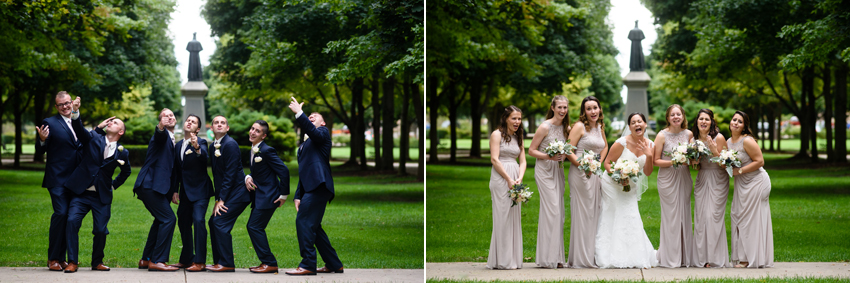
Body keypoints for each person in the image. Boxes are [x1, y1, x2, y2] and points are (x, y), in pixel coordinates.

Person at [63, 107, 131, 273]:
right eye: (110, 121)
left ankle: (97, 262)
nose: (110, 122)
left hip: (101, 196)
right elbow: (78, 128)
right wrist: (76, 112)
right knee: (72, 222)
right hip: (81, 193)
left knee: (101, 230)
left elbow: (126, 171)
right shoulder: (93, 137)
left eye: (114, 122)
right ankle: (72, 261)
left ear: (121, 131)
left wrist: (113, 185)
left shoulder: (123, 152)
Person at [285, 97, 343, 276]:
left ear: (323, 122)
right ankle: (334, 264)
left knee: (303, 221)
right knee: (314, 227)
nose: (311, 116)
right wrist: (297, 195)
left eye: (315, 116)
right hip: (310, 187)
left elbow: (314, 132)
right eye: (309, 115)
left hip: (320, 186)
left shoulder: (323, 133)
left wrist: (299, 114)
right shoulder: (303, 146)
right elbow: (304, 171)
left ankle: (308, 264)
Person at [595, 112, 658, 268]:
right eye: (633, 122)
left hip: (630, 187)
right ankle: (608, 253)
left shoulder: (651, 145)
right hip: (612, 183)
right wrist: (618, 175)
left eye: (640, 121)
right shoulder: (621, 142)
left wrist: (649, 156)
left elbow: (648, 172)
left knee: (631, 215)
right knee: (613, 213)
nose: (637, 124)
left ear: (645, 124)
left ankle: (634, 254)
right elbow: (608, 163)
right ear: (629, 127)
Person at [35, 91, 83, 271]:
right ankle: (53, 258)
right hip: (57, 179)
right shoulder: (50, 122)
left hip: (75, 180)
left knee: (69, 219)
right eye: (61, 104)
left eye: (67, 103)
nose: (65, 106)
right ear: (56, 107)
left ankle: (63, 258)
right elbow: (40, 151)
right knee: (61, 214)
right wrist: (41, 140)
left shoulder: (77, 121)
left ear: (71, 103)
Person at [565, 96, 609, 268]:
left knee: (594, 214)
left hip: (595, 173)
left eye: (595, 108)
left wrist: (598, 163)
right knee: (582, 215)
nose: (593, 112)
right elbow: (568, 150)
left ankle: (592, 254)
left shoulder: (600, 127)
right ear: (584, 111)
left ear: (599, 109)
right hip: (580, 175)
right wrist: (583, 165)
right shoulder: (579, 127)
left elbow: (605, 146)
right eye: (589, 108)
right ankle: (580, 258)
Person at [133, 108, 179, 271]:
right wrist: (160, 126)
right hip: (150, 185)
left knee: (160, 220)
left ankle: (146, 259)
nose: (169, 117)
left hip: (161, 188)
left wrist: (174, 190)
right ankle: (157, 260)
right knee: (168, 219)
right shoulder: (162, 136)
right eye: (165, 116)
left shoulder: (173, 139)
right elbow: (159, 135)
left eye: (171, 115)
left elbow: (172, 168)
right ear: (161, 121)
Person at [527, 95, 570, 269]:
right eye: (559, 107)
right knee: (552, 211)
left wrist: (563, 156)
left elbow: (568, 149)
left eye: (565, 107)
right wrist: (548, 156)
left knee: (559, 213)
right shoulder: (545, 127)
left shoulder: (567, 128)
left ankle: (557, 257)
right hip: (544, 170)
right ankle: (547, 258)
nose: (562, 111)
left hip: (558, 171)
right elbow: (531, 150)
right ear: (552, 107)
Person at [652, 104, 697, 268]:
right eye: (673, 115)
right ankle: (670, 256)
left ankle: (684, 256)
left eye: (678, 114)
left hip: (684, 178)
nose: (676, 117)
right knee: (671, 216)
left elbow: (694, 157)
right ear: (668, 118)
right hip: (667, 178)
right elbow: (655, 161)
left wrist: (694, 161)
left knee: (684, 214)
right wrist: (674, 161)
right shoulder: (661, 135)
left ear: (683, 116)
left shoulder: (689, 134)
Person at [728, 111, 773, 268]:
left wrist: (739, 171)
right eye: (734, 120)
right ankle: (745, 256)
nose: (736, 123)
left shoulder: (747, 141)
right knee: (738, 216)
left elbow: (760, 161)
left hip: (757, 181)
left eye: (740, 122)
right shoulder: (728, 142)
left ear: (744, 126)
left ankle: (748, 259)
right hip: (742, 184)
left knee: (749, 221)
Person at [244, 120, 291, 273]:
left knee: (254, 226)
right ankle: (267, 262)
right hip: (260, 196)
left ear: (263, 136)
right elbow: (260, 171)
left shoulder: (267, 150)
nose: (252, 132)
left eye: (257, 131)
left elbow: (284, 171)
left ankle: (269, 263)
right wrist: (249, 176)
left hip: (269, 196)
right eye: (252, 129)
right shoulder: (254, 149)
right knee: (254, 227)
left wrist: (283, 195)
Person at [171, 114, 214, 272]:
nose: (189, 123)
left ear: (198, 128)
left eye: (193, 122)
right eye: (188, 121)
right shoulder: (177, 145)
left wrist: (196, 147)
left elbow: (204, 158)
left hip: (200, 191)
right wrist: (175, 190)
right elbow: (177, 170)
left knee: (198, 221)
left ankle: (200, 261)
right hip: (185, 193)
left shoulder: (201, 142)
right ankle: (186, 258)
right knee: (182, 223)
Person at [486, 106, 527, 270]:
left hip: (515, 177)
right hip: (501, 177)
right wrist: (509, 179)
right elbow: (494, 160)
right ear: (506, 118)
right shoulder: (496, 135)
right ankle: (501, 260)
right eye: (514, 118)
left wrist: (519, 177)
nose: (517, 122)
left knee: (513, 217)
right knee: (502, 217)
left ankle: (513, 259)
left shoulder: (519, 137)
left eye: (519, 119)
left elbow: (523, 160)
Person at [207, 115, 249, 272]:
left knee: (220, 222)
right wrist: (217, 199)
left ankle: (227, 263)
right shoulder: (213, 147)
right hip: (227, 192)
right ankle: (219, 261)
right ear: (211, 128)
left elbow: (230, 174)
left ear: (227, 128)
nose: (219, 125)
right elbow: (218, 176)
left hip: (239, 192)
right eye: (216, 123)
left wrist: (222, 200)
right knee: (213, 222)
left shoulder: (230, 144)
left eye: (222, 123)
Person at [690, 109, 731, 268]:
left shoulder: (718, 138)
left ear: (712, 121)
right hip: (702, 179)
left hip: (718, 179)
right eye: (701, 119)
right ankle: (702, 259)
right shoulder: (694, 139)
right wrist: (694, 161)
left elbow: (725, 164)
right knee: (700, 218)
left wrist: (714, 150)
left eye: (707, 119)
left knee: (712, 217)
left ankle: (715, 258)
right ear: (697, 121)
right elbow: (697, 167)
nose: (704, 122)